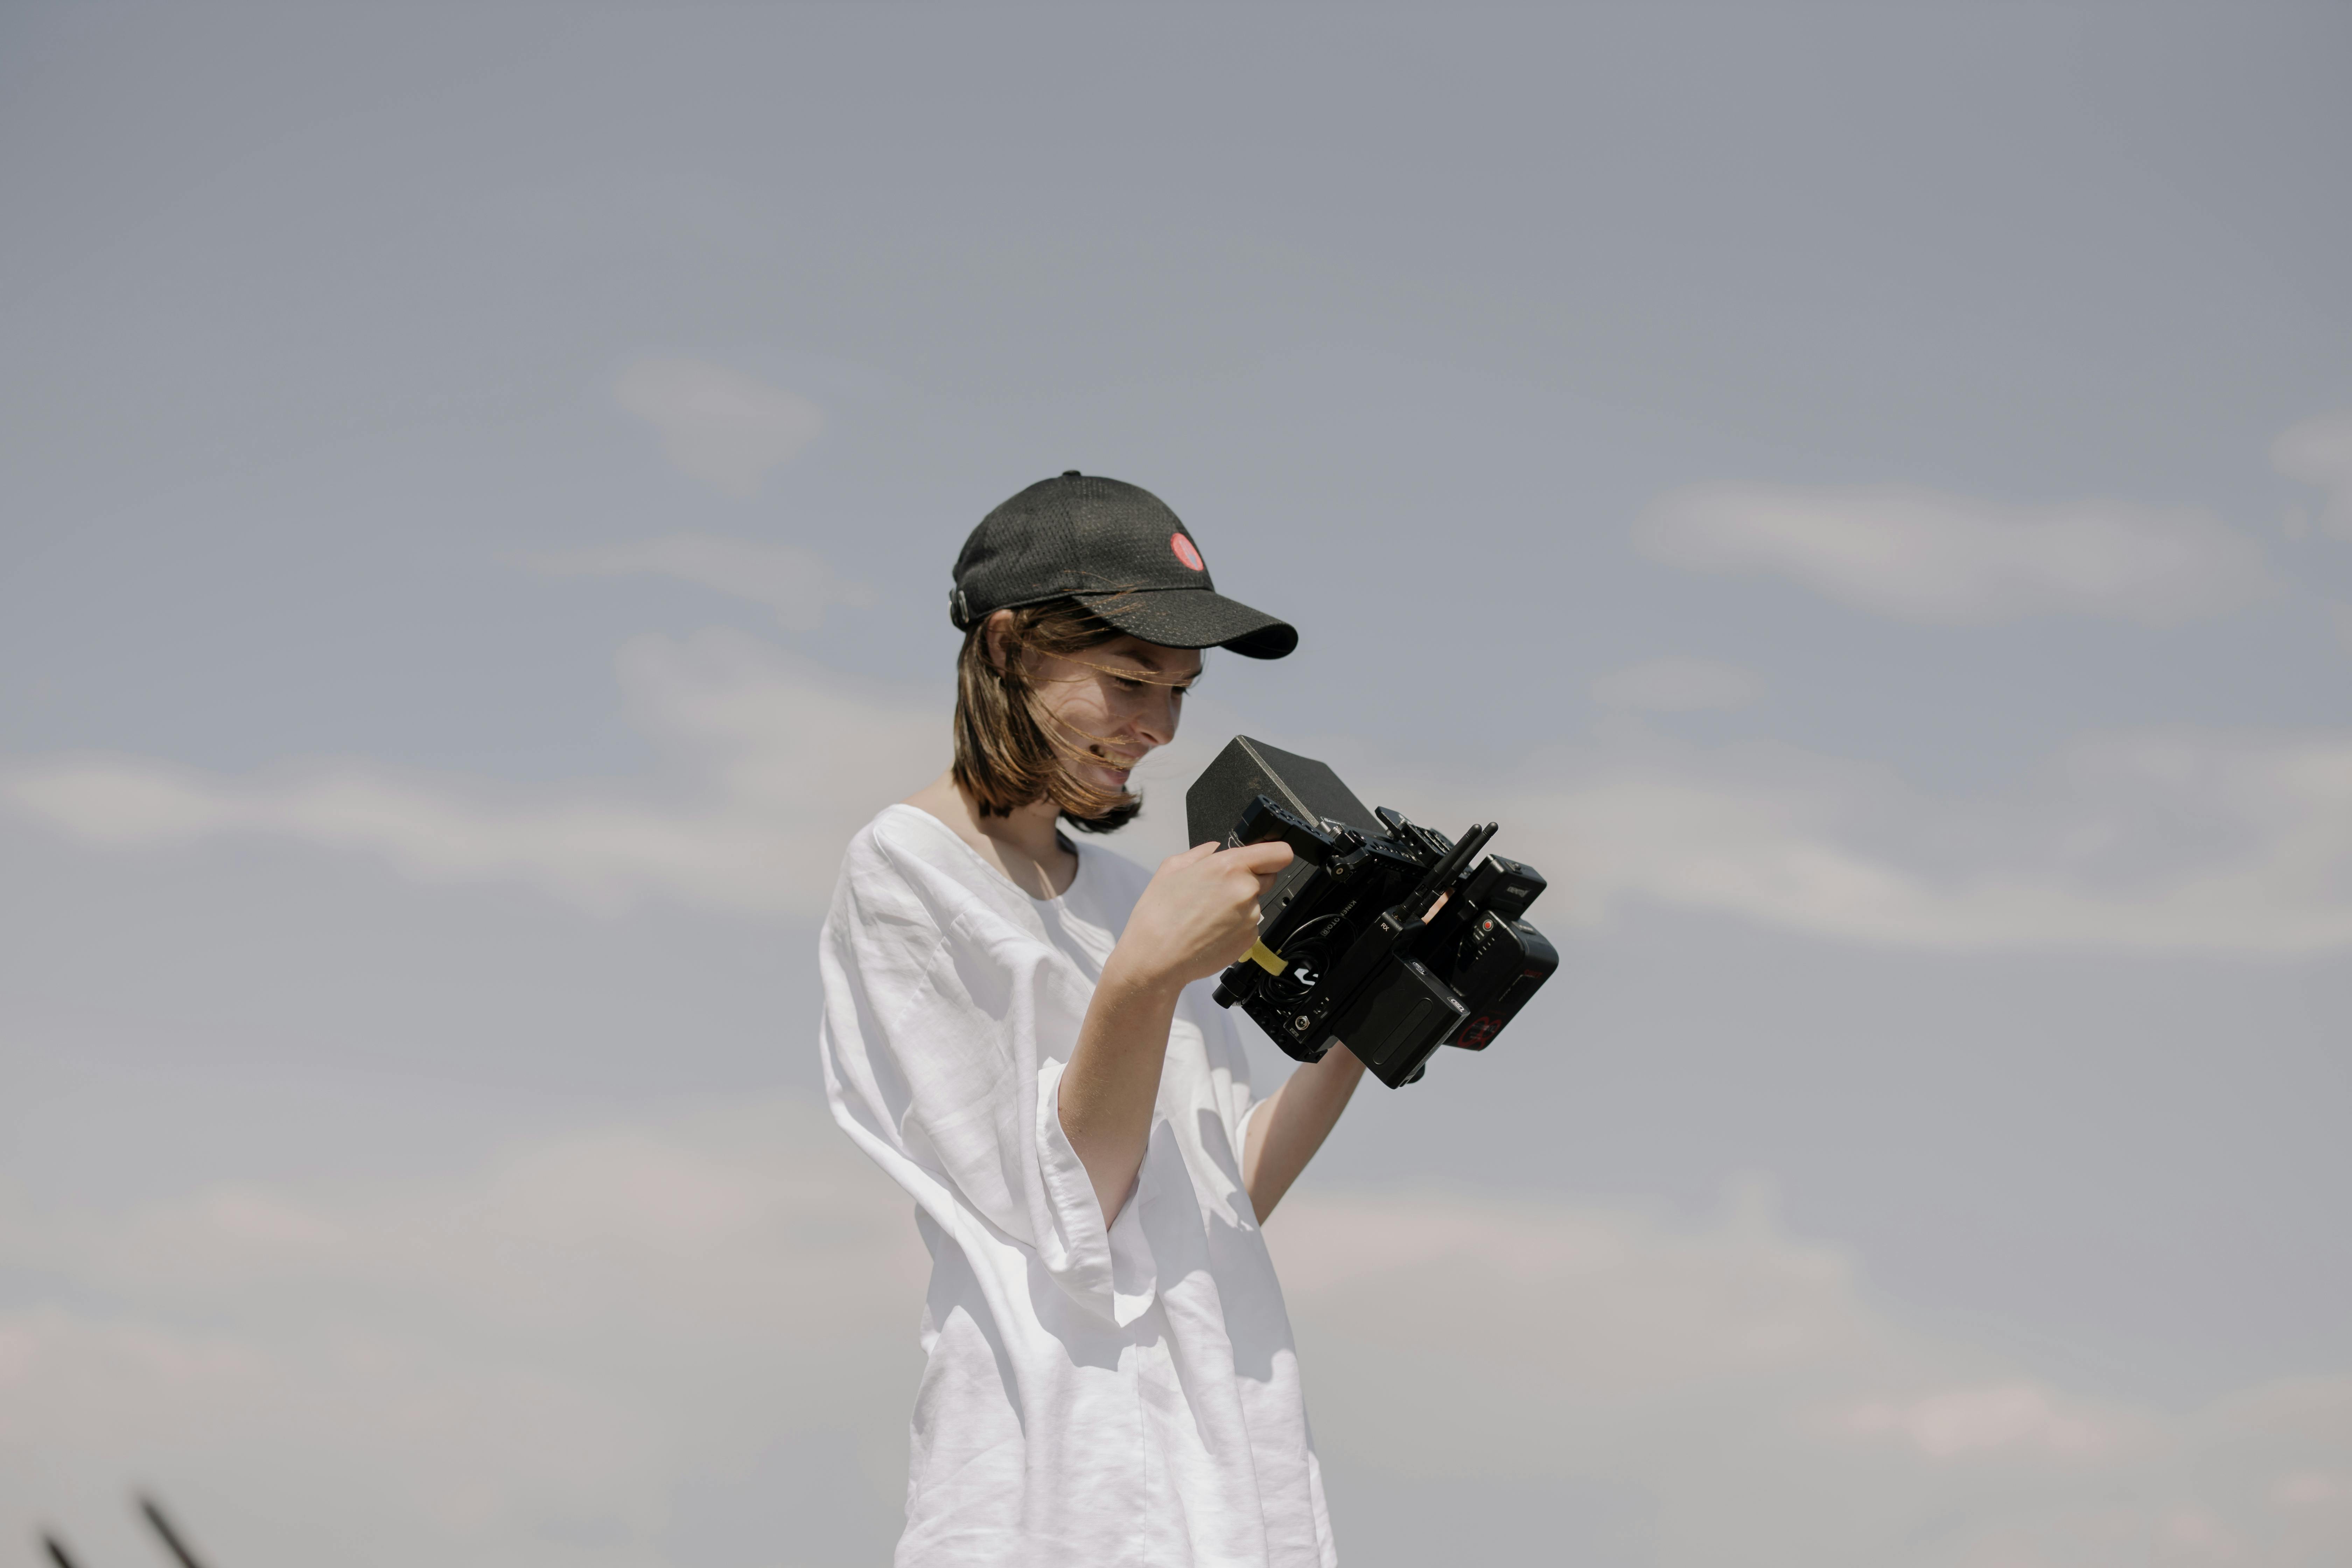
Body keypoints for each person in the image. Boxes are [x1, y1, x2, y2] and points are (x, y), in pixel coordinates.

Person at [818, 472, 1362, 1567]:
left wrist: (1367, 1019)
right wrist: (1146, 979)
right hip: (1057, 1485)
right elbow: (1069, 1209)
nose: (1158, 728)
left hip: (1229, 1466)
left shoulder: (1127, 896)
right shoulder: (904, 871)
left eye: (1182, 692)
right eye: (1129, 680)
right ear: (1011, 648)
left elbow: (1215, 1195)